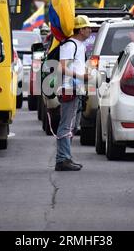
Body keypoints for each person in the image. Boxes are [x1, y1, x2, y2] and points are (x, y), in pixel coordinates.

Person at [55, 15, 92, 171]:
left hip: (77, 89)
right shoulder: (70, 45)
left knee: (73, 126)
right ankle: (62, 159)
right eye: (87, 28)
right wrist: (81, 76)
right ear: (80, 29)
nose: (90, 30)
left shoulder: (80, 45)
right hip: (69, 88)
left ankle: (66, 157)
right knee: (67, 125)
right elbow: (61, 68)